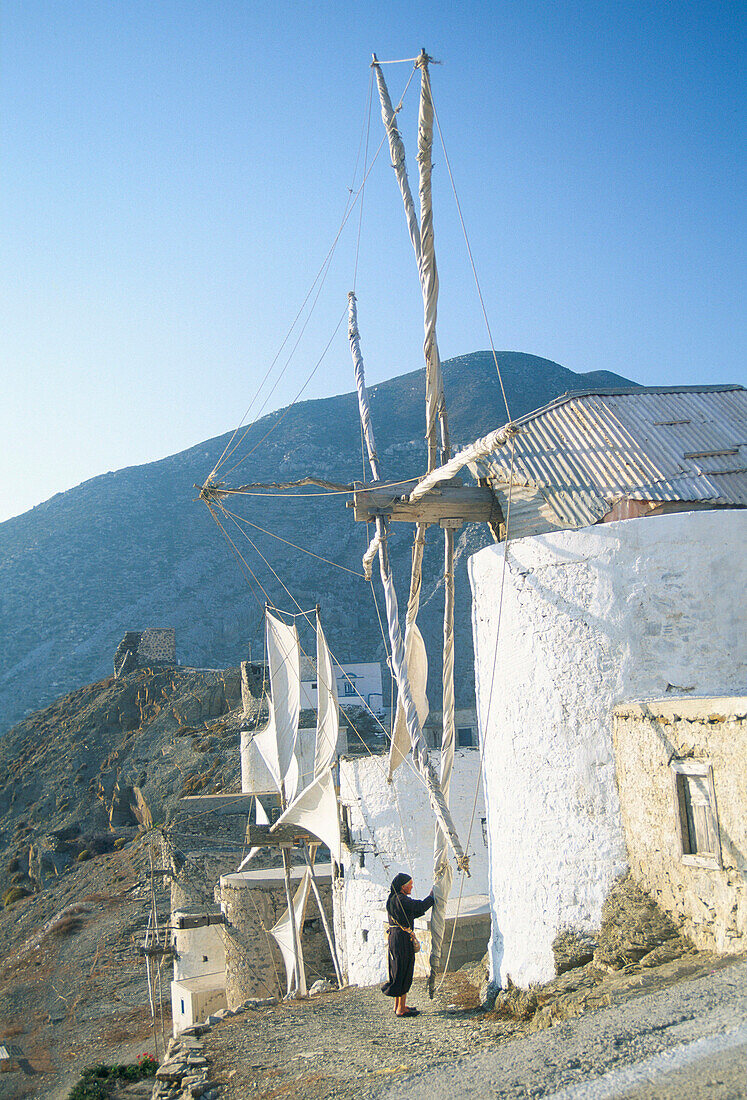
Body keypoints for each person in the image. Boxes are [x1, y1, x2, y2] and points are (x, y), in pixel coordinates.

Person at [381, 872, 434, 1017]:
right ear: (403, 887)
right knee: (404, 970)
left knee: (398, 970)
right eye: (410, 884)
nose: (412, 886)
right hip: (402, 939)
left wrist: (425, 904)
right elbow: (420, 906)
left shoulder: (393, 899)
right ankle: (401, 1009)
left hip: (395, 937)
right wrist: (432, 897)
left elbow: (410, 913)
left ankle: (398, 1005)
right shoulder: (402, 899)